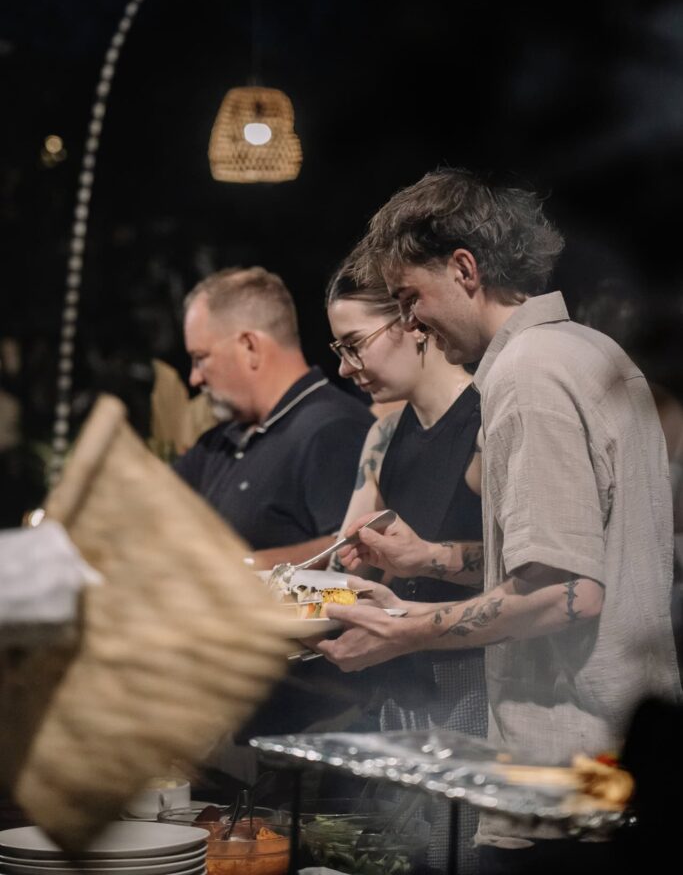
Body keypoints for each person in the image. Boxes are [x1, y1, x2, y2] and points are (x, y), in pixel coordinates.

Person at [314, 168, 682, 874]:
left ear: (464, 269)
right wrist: (429, 561)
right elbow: (580, 555)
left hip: (564, 773)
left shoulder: (527, 375)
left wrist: (405, 630)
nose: (410, 323)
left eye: (409, 298)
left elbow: (564, 592)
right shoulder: (589, 350)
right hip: (612, 759)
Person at [325, 253, 486, 874]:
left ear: (410, 321)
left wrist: (424, 558)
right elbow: (350, 567)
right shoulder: (385, 435)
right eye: (339, 349)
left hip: (473, 689)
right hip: (402, 688)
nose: (345, 367)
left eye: (354, 345)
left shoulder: (487, 419)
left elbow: (523, 567)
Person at [174, 266, 373, 568]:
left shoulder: (334, 430)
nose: (195, 378)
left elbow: (356, 546)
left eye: (200, 358)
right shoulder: (220, 442)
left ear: (249, 346)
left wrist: (241, 567)